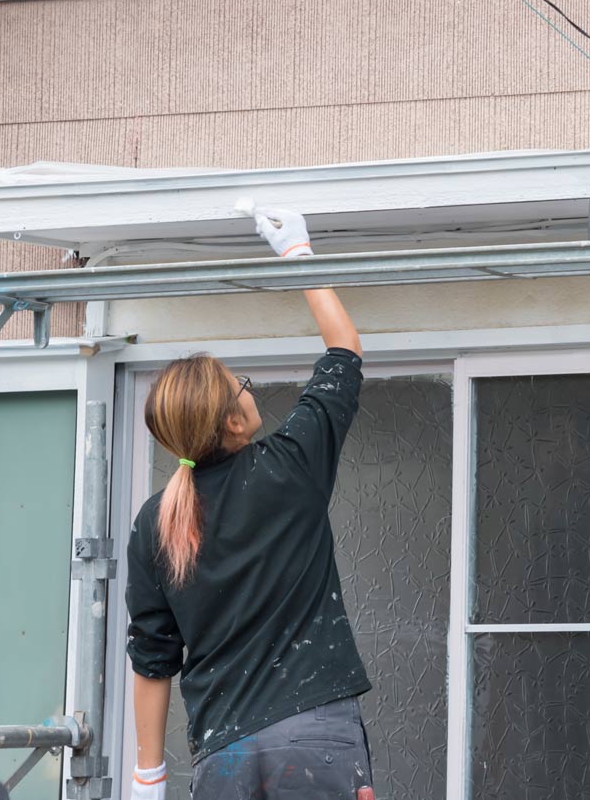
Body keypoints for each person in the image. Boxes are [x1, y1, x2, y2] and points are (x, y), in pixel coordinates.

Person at [125, 207, 373, 800]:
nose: (247, 388)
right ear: (234, 422)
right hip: (315, 737)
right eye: (241, 385)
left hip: (223, 754)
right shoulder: (291, 465)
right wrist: (296, 254)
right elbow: (344, 351)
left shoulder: (156, 522)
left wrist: (148, 774)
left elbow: (153, 657)